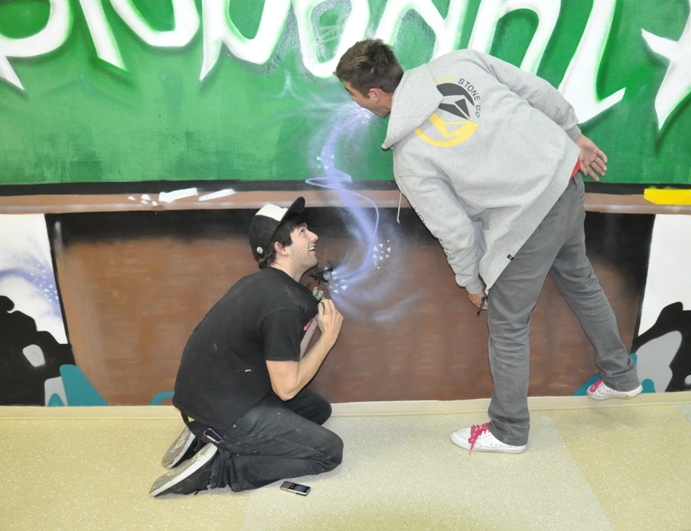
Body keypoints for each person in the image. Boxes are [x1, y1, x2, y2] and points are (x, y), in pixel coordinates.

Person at [335, 40, 642, 454]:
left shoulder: (409, 157)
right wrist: (575, 135)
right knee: (580, 280)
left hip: (529, 217)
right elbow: (538, 91)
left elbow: (455, 231)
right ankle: (621, 376)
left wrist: (472, 281)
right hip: (565, 179)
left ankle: (509, 430)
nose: (354, 101)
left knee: (508, 323)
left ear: (374, 94)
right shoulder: (460, 63)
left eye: (353, 94)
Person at [150, 197, 344, 496]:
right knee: (328, 452)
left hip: (214, 397)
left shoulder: (266, 286)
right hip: (223, 409)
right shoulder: (282, 303)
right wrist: (328, 339)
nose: (314, 236)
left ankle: (204, 437)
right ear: (281, 248)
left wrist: (313, 327)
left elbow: (287, 361)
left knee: (317, 409)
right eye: (303, 232)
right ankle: (219, 468)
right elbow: (286, 389)